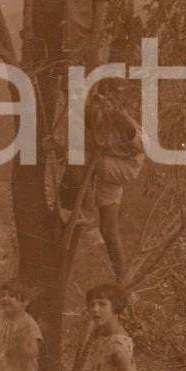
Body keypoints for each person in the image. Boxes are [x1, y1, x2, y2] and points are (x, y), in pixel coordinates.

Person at [60, 83, 146, 281]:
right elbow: (86, 144)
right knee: (108, 228)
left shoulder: (126, 122)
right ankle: (123, 278)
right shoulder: (96, 118)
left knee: (80, 159)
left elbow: (141, 145)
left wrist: (118, 115)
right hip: (109, 164)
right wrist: (57, 146)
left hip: (126, 166)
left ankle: (87, 213)